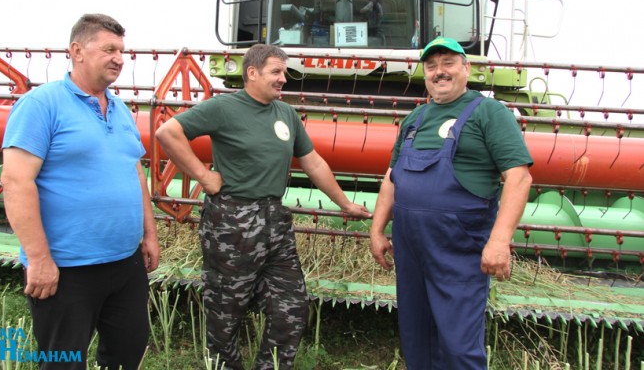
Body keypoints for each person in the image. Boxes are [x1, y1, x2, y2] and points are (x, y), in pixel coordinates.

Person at [155, 43, 372, 370]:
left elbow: (312, 162)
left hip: (274, 220)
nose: (283, 79)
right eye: (276, 72)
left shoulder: (285, 114)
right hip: (232, 220)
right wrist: (203, 175)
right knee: (227, 311)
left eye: (284, 72)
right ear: (252, 73)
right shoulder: (224, 107)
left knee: (292, 306)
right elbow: (167, 132)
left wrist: (344, 203)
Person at [1, 13, 159, 369]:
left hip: (125, 263)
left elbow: (135, 171)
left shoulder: (119, 108)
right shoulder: (42, 104)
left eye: (122, 50)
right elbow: (16, 182)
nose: (119, 58)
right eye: (109, 49)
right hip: (67, 267)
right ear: (77, 51)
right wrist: (39, 260)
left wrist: (149, 234)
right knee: (63, 361)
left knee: (127, 351)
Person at [369, 37, 533, 369]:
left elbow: (519, 177)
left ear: (466, 68)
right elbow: (392, 177)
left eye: (448, 63)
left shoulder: (489, 112)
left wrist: (499, 242)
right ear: (424, 74)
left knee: (458, 346)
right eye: (431, 66)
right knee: (417, 339)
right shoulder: (415, 119)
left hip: (458, 249)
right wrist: (376, 230)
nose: (439, 72)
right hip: (411, 247)